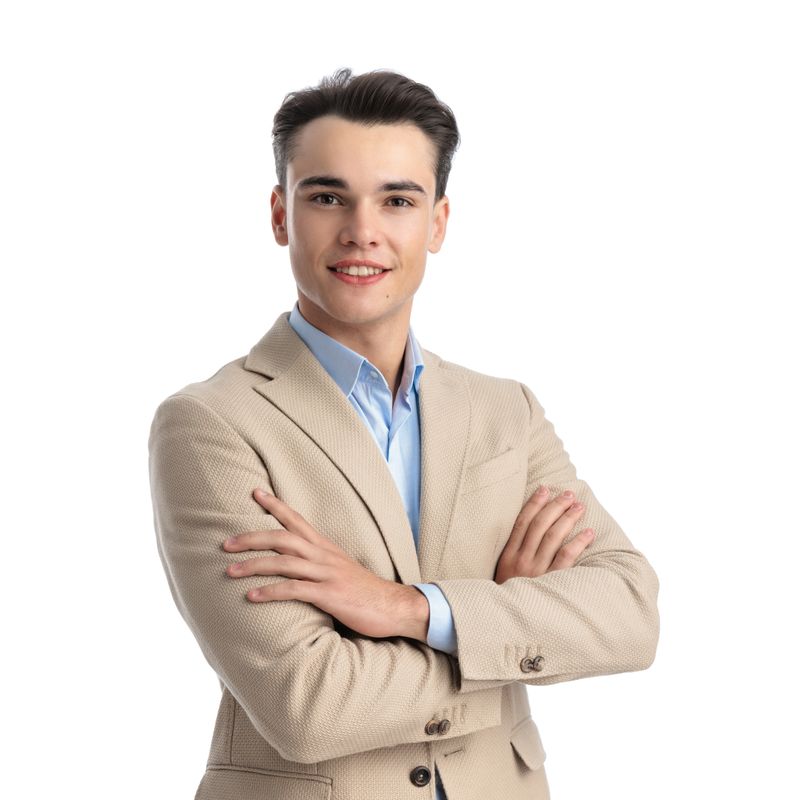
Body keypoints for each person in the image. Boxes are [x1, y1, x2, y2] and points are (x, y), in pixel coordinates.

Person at [148, 67, 660, 800]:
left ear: (438, 222)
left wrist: (411, 609)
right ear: (279, 215)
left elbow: (629, 615)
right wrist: (501, 626)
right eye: (327, 197)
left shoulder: (503, 409)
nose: (363, 231)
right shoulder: (210, 425)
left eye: (397, 200)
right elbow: (308, 704)